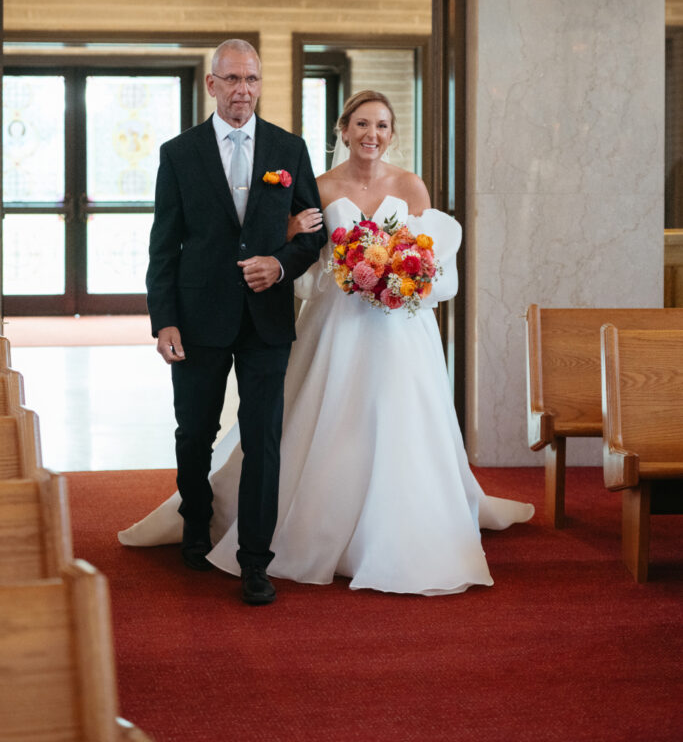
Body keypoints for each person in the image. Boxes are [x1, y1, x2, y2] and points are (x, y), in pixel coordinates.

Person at [121, 89, 534, 596]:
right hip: (334, 322)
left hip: (399, 330)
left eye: (382, 126)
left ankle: (388, 532)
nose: (372, 135)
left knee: (395, 427)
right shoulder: (319, 184)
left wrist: (400, 278)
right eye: (362, 124)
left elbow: (432, 262)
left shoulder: (410, 186)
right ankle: (243, 528)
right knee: (297, 424)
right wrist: (298, 237)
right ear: (343, 130)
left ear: (392, 133)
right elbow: (304, 247)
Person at [138, 38, 326, 605]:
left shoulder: (289, 149)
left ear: (260, 85)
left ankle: (254, 560)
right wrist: (163, 321)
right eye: (233, 79)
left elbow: (312, 230)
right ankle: (195, 525)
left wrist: (281, 263)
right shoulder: (179, 153)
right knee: (194, 432)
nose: (243, 90)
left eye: (252, 79)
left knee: (264, 438)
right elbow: (163, 245)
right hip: (197, 317)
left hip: (266, 319)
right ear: (212, 84)